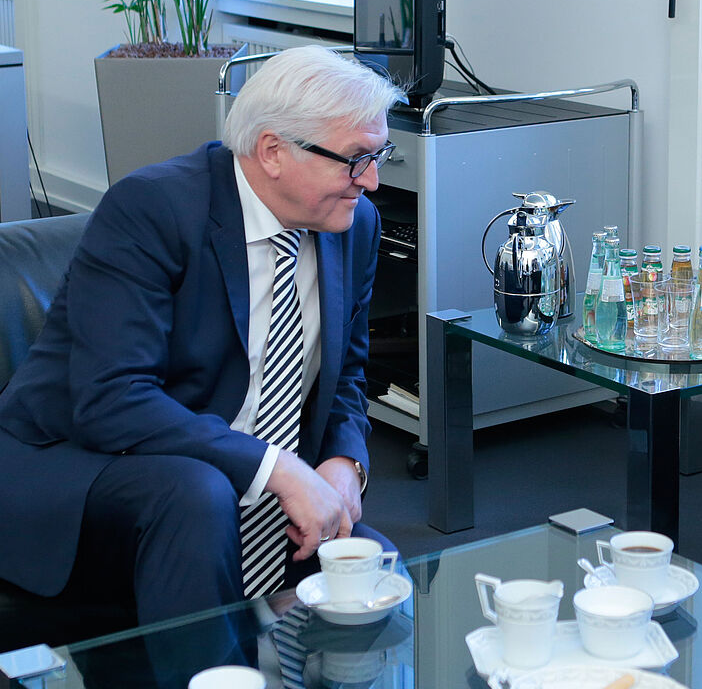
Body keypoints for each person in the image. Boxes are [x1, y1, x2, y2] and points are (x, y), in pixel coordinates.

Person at [0, 46, 406, 626]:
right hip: (87, 468)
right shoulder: (153, 209)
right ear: (272, 152)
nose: (371, 181)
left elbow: (348, 376)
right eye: (355, 159)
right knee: (198, 495)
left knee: (383, 580)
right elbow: (111, 400)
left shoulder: (353, 226)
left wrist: (345, 460)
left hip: (243, 482)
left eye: (379, 153)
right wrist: (280, 469)